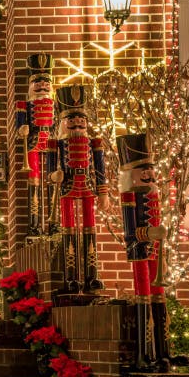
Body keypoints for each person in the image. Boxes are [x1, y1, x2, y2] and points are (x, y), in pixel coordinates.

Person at [117, 133, 181, 371]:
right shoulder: (128, 196)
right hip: (140, 250)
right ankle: (144, 354)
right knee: (144, 295)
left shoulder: (154, 193)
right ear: (130, 174)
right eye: (142, 169)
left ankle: (164, 352)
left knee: (159, 295)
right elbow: (130, 231)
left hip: (155, 251)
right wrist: (149, 234)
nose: (148, 173)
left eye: (151, 169)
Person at [48, 85, 107, 294]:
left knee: (90, 228)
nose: (77, 123)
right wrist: (56, 175)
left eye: (81, 120)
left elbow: (100, 168)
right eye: (71, 120)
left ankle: (92, 276)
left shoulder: (94, 143)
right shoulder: (56, 143)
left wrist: (103, 192)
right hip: (67, 187)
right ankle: (71, 277)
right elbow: (50, 172)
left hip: (87, 186)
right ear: (63, 123)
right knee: (69, 228)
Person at [15, 53, 55, 237]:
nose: (42, 86)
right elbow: (20, 125)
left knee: (53, 181)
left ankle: (53, 223)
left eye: (46, 82)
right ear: (30, 85)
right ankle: (34, 224)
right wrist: (21, 128)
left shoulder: (56, 104)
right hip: (32, 143)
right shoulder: (24, 104)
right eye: (37, 83)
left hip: (52, 145)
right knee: (35, 182)